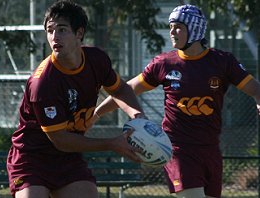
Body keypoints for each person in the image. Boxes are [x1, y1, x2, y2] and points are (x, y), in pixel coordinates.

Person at [94, 4, 260, 198]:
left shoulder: (222, 62)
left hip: (211, 150)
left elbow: (255, 89)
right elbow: (125, 91)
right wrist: (96, 113)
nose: (171, 32)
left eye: (178, 27)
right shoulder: (163, 64)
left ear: (195, 29)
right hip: (177, 150)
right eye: (170, 26)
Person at [6, 1, 147, 197]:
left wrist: (136, 114)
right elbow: (61, 140)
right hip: (32, 159)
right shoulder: (43, 83)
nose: (55, 36)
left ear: (79, 33)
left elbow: (120, 89)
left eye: (62, 29)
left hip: (68, 159)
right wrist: (112, 143)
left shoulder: (96, 60)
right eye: (50, 30)